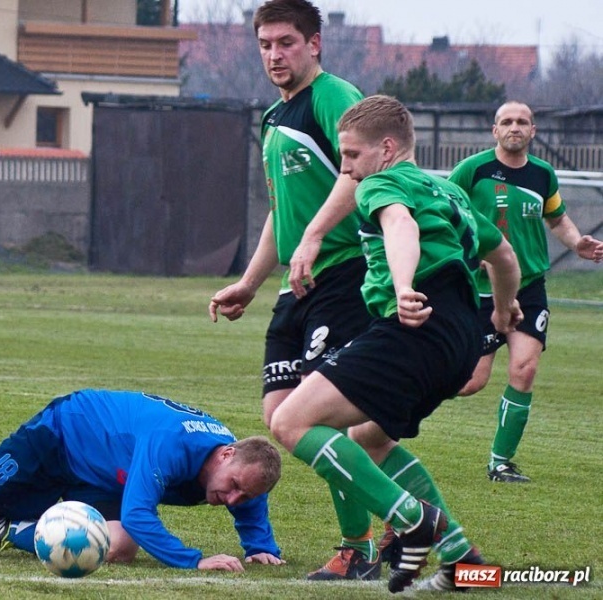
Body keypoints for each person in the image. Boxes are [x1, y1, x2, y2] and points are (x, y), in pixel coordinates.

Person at [268, 95, 523, 593]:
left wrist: (404, 286)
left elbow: (399, 225)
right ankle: (465, 562)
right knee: (370, 438)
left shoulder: (383, 183)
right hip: (460, 336)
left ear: (387, 149)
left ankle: (411, 518)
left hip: (415, 325)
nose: (347, 170)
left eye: (352, 156)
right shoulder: (449, 192)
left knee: (290, 421)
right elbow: (505, 256)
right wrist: (499, 311)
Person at [208, 0, 381, 581]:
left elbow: (363, 179)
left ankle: (360, 545)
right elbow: (282, 211)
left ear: (314, 45)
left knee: (318, 419)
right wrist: (251, 282)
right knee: (280, 414)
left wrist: (311, 239)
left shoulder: (335, 97)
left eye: (286, 42)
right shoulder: (275, 117)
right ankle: (399, 509)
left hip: (345, 274)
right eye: (265, 45)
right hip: (297, 284)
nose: (274, 54)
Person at [0, 389, 285, 572]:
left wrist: (259, 545)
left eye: (241, 494)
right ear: (225, 453)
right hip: (59, 436)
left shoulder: (236, 464)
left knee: (118, 548)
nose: (233, 499)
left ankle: (13, 531)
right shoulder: (171, 444)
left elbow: (251, 494)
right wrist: (194, 560)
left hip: (106, 473)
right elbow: (139, 512)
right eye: (232, 486)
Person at [449, 101, 603, 483]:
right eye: (506, 121)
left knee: (525, 368)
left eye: (522, 122)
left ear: (533, 130)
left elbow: (557, 217)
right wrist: (472, 254)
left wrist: (577, 241)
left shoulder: (543, 174)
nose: (514, 127)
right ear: (494, 130)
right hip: (481, 292)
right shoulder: (473, 169)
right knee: (471, 381)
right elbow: (443, 213)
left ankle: (499, 462)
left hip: (530, 286)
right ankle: (396, 395)